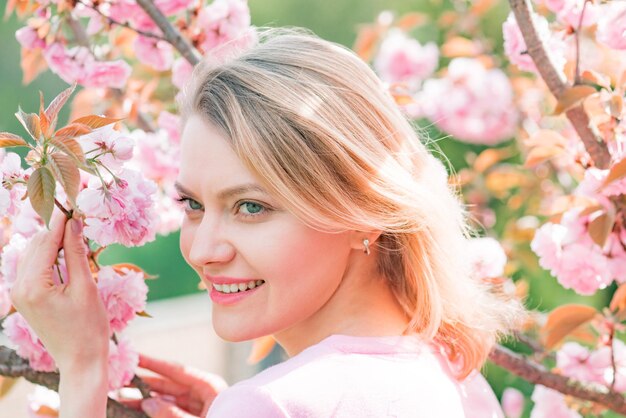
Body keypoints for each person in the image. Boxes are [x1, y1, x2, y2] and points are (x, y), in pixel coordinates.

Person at [10, 28, 523, 418]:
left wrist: (82, 371)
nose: (205, 249)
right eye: (192, 205)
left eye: (251, 207)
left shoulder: (273, 405)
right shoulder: (457, 382)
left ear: (363, 211)